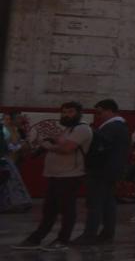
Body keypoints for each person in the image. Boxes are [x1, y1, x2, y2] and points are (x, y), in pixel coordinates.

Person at [16, 102, 92, 250]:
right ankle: (37, 238)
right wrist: (50, 141)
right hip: (56, 175)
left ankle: (63, 240)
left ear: (79, 113)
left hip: (70, 175)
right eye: (63, 112)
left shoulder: (82, 129)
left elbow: (66, 149)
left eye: (70, 112)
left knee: (66, 209)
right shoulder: (69, 129)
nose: (66, 115)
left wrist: (48, 146)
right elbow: (60, 143)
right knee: (49, 209)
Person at [79, 99, 130, 245]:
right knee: (108, 202)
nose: (98, 115)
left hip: (102, 171)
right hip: (111, 170)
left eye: (100, 112)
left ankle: (89, 234)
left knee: (95, 203)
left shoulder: (112, 127)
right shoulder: (119, 126)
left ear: (109, 110)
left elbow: (100, 148)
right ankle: (107, 233)